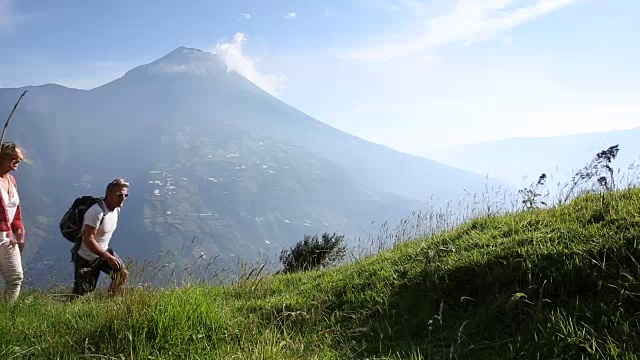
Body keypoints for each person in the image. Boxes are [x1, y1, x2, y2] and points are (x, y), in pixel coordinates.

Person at [72, 178, 130, 297]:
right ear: (109, 194)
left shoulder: (116, 210)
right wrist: (107, 257)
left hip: (103, 252)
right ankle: (67, 311)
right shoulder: (96, 212)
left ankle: (109, 303)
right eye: (119, 195)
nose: (123, 198)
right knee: (82, 294)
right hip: (86, 258)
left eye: (125, 195)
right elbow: (88, 238)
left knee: (121, 274)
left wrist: (106, 255)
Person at [0, 142, 26, 302]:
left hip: (7, 237)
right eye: (13, 157)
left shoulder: (11, 181)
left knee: (16, 278)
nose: (18, 161)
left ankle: (4, 315)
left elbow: (15, 211)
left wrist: (19, 230)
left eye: (19, 158)